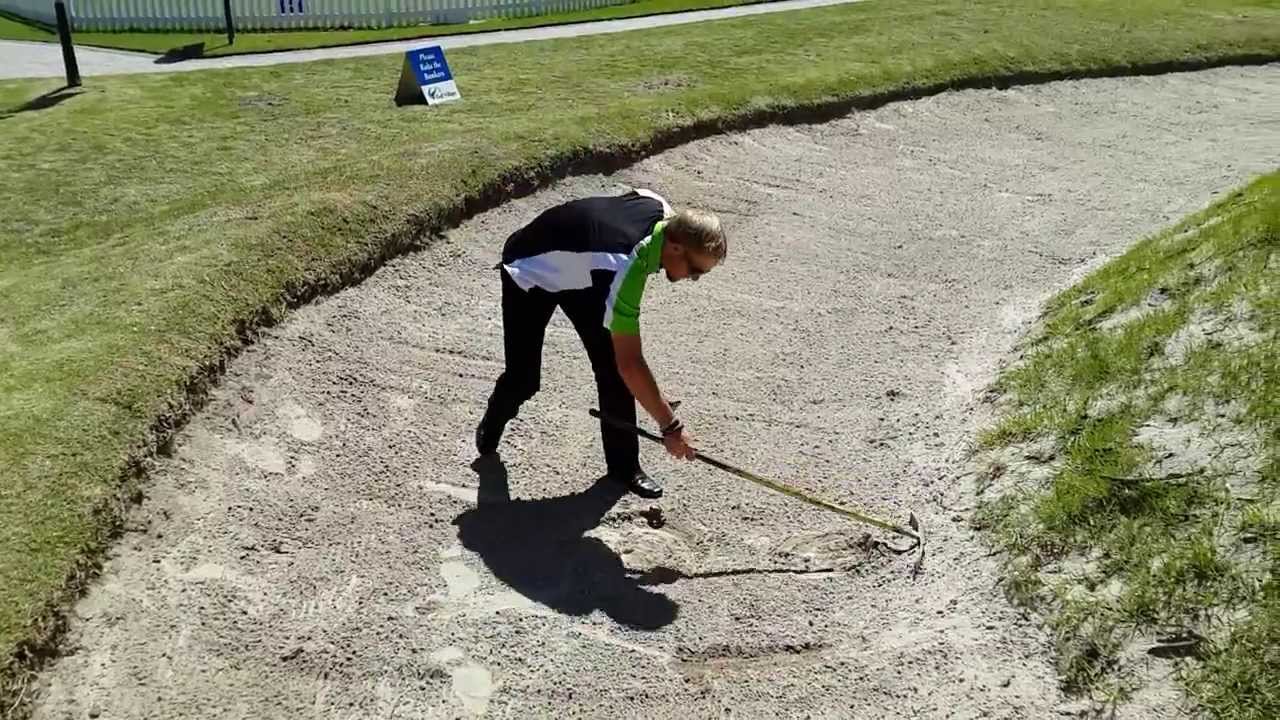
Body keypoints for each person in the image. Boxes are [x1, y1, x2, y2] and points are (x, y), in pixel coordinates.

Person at [474, 187, 728, 498]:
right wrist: (670, 427)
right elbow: (631, 362)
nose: (695, 278)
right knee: (525, 378)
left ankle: (624, 467)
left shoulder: (661, 209)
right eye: (696, 270)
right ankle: (493, 418)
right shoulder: (623, 265)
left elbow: (627, 199)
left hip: (585, 271)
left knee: (611, 368)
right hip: (529, 270)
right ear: (675, 248)